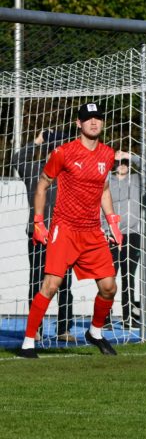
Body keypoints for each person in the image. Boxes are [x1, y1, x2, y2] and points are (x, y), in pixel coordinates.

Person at [18, 102, 123, 358]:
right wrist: (39, 223)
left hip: (92, 231)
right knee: (51, 285)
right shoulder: (63, 152)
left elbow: (104, 189)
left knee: (109, 287)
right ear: (79, 124)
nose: (94, 122)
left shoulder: (108, 154)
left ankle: (95, 332)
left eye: (98, 118)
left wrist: (112, 222)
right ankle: (28, 342)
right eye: (88, 119)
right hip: (64, 229)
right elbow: (42, 186)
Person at [12, 129, 76, 342]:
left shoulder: (69, 175)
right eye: (53, 150)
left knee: (65, 284)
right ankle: (35, 328)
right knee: (37, 282)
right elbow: (16, 159)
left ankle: (63, 329)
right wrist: (37, 141)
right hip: (38, 235)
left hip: (63, 236)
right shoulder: (33, 170)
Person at [103, 150, 146, 329]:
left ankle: (127, 317)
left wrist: (129, 155)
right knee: (109, 278)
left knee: (128, 277)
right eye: (119, 162)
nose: (122, 164)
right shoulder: (107, 179)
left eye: (125, 162)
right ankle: (105, 318)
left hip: (133, 235)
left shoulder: (137, 180)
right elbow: (100, 204)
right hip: (112, 234)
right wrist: (106, 230)